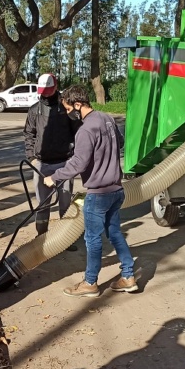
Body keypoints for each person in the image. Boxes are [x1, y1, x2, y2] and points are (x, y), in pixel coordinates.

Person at [44, 86, 136, 297]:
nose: (68, 114)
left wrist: (54, 178)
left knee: (92, 239)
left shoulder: (85, 129)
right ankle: (128, 276)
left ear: (78, 105)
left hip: (99, 193)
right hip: (116, 190)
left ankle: (90, 283)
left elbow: (78, 163)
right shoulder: (107, 118)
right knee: (114, 233)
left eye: (69, 109)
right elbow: (119, 143)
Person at [24, 72, 78, 250]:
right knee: (42, 204)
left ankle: (65, 239)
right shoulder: (34, 110)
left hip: (64, 163)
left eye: (48, 90)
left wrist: (75, 155)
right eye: (43, 91)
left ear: (55, 88)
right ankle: (42, 238)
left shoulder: (66, 109)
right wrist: (31, 157)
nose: (45, 94)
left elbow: (77, 132)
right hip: (41, 164)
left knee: (65, 203)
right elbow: (29, 134)